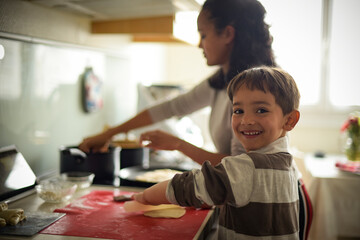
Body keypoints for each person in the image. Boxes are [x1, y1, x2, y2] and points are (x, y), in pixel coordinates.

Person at [79, 0, 311, 238]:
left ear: (228, 34)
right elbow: (170, 107)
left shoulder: (254, 87)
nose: (200, 44)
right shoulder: (222, 81)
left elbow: (238, 165)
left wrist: (178, 146)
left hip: (271, 199)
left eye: (203, 34)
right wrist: (108, 134)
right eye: (237, 111)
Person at [133, 66, 301, 239]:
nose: (247, 120)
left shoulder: (244, 167)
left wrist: (145, 196)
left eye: (261, 110)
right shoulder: (287, 163)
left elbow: (186, 187)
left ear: (289, 120)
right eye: (238, 111)